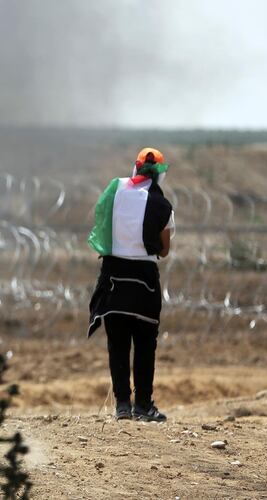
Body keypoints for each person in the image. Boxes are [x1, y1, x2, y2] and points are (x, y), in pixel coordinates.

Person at [87, 148, 175, 422]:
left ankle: (122, 405)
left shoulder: (115, 188)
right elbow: (163, 251)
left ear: (135, 166)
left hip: (113, 277)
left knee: (118, 344)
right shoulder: (162, 205)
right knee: (145, 345)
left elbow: (100, 222)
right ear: (159, 174)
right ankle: (143, 405)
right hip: (144, 282)